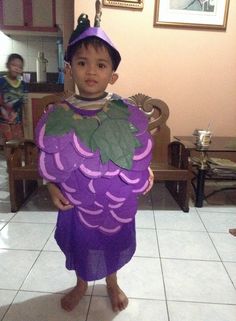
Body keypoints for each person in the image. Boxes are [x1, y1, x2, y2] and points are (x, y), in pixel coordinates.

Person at [35, 8, 154, 313]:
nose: (91, 71)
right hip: (75, 197)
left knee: (112, 237)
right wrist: (51, 187)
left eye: (100, 65)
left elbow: (134, 148)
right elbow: (48, 155)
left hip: (115, 198)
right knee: (81, 240)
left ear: (112, 74)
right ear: (70, 68)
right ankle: (82, 283)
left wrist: (145, 170)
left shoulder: (124, 110)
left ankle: (112, 282)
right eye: (82, 63)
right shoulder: (58, 113)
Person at [0, 53, 28, 144]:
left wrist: (26, 118)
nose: (17, 68)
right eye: (14, 65)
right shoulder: (1, 82)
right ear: (7, 65)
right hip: (3, 123)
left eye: (20, 67)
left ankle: (17, 159)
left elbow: (24, 102)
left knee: (18, 145)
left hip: (17, 122)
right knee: (7, 146)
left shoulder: (23, 85)